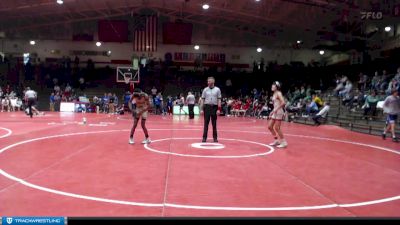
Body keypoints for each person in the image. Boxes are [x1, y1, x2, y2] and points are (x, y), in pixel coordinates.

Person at [200, 77, 221, 142]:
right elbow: (202, 100)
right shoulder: (205, 90)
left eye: (209, 81)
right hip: (207, 107)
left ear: (213, 82)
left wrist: (219, 109)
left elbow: (219, 100)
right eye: (207, 81)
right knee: (206, 124)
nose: (208, 82)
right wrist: (201, 109)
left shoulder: (217, 89)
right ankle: (204, 138)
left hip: (214, 107)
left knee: (214, 124)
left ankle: (215, 138)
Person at [268, 81, 288, 148]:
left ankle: (284, 142)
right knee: (270, 127)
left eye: (273, 85)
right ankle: (277, 140)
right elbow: (276, 104)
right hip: (275, 111)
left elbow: (283, 103)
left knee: (277, 128)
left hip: (279, 112)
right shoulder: (274, 93)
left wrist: (276, 110)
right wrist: (272, 111)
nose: (272, 86)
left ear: (277, 87)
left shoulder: (278, 93)